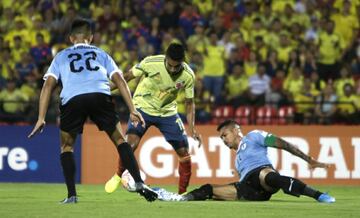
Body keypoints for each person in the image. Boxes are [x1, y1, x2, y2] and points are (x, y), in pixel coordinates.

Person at [27, 18, 157, 203]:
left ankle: (72, 195)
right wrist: (132, 109)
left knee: (67, 146)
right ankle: (139, 182)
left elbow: (48, 86)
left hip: (72, 98)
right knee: (120, 140)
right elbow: (120, 80)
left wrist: (41, 117)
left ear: (71, 38)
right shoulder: (101, 53)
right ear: (91, 37)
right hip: (100, 94)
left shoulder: (61, 56)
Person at [154, 120, 335, 203]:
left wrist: (308, 159)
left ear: (235, 130)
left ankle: (318, 195)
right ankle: (181, 199)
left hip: (263, 177)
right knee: (209, 189)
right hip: (249, 190)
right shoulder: (237, 161)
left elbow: (283, 144)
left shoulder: (253, 136)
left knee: (270, 177)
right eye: (221, 138)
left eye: (225, 135)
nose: (224, 140)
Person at [105, 42, 202, 194]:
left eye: (177, 67)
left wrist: (192, 129)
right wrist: (103, 89)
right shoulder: (151, 62)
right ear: (166, 58)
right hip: (142, 107)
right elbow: (127, 77)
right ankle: (118, 175)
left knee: (184, 152)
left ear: (183, 62)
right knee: (130, 144)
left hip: (167, 112)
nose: (172, 69)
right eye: (170, 65)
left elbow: (189, 103)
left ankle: (182, 193)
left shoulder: (188, 76)